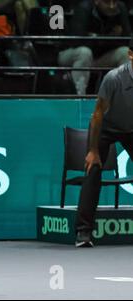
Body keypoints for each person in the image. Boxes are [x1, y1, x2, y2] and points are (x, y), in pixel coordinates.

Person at [75, 37, 133, 247]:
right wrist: (92, 150)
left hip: (131, 129)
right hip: (105, 128)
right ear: (130, 55)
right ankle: (83, 232)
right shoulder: (114, 78)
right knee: (93, 170)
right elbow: (97, 114)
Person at [58, 0, 131, 95]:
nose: (112, 6)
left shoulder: (120, 8)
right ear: (96, 1)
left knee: (125, 52)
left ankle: (125, 97)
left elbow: (126, 39)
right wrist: (109, 38)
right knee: (85, 52)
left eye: (114, 2)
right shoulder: (84, 7)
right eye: (107, 2)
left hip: (100, 56)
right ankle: (79, 98)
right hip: (71, 54)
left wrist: (96, 38)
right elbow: (77, 40)